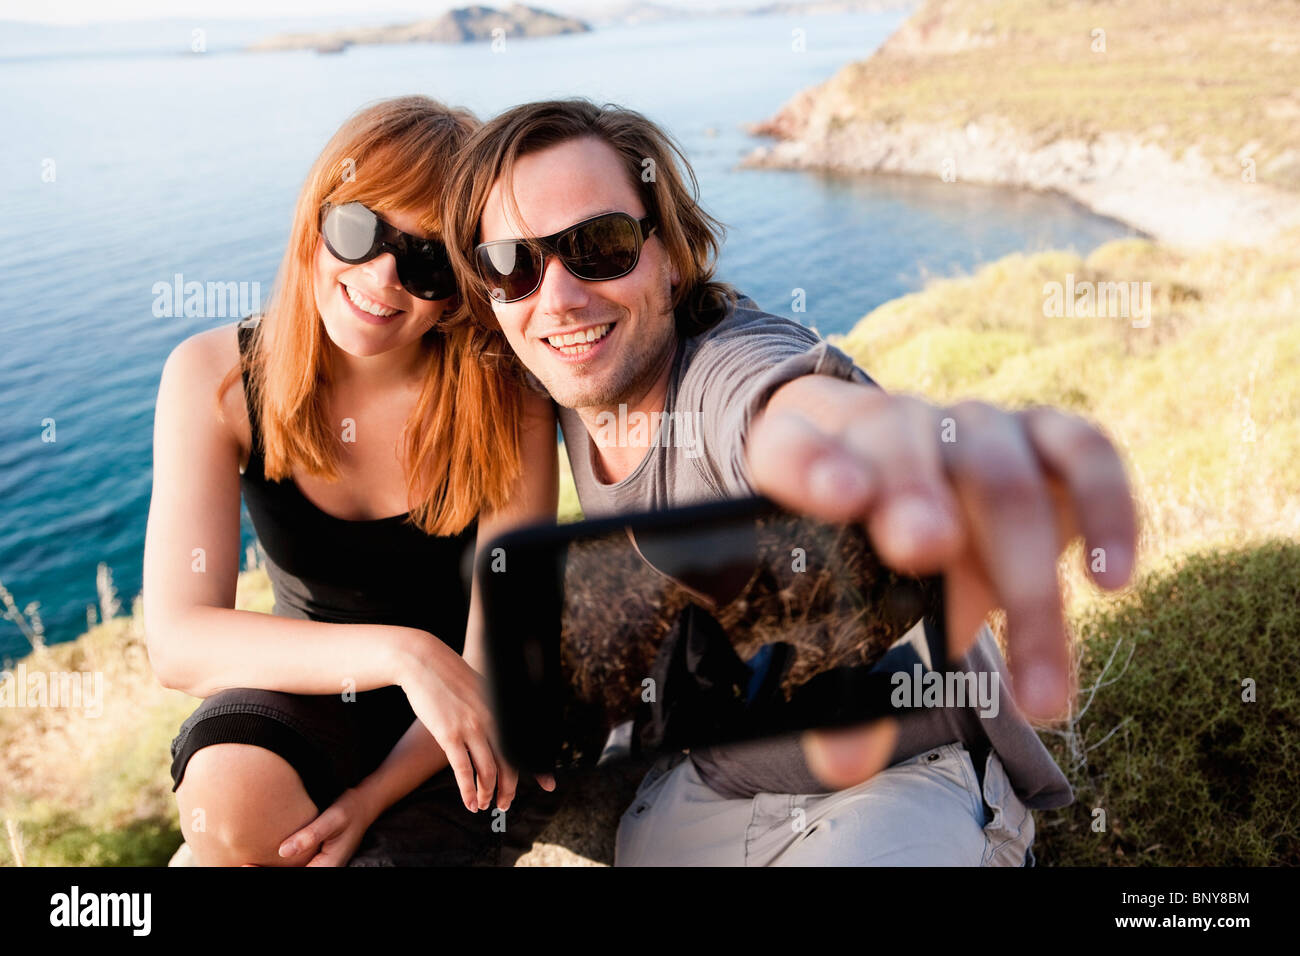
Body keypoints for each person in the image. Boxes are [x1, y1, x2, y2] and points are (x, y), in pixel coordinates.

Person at [436, 98, 1139, 865]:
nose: (559, 296)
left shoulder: (719, 367)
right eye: (513, 263)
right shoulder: (558, 379)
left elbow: (780, 400)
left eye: (600, 246)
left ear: (670, 256)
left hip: (897, 795)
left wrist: (886, 445)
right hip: (704, 794)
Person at [143, 96, 559, 867]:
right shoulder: (218, 378)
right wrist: (406, 653)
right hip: (309, 680)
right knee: (224, 800)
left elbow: (496, 654)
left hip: (471, 708)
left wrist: (368, 800)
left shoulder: (509, 393)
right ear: (315, 217)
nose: (381, 277)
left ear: (463, 285)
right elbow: (175, 641)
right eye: (358, 229)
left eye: (428, 259)